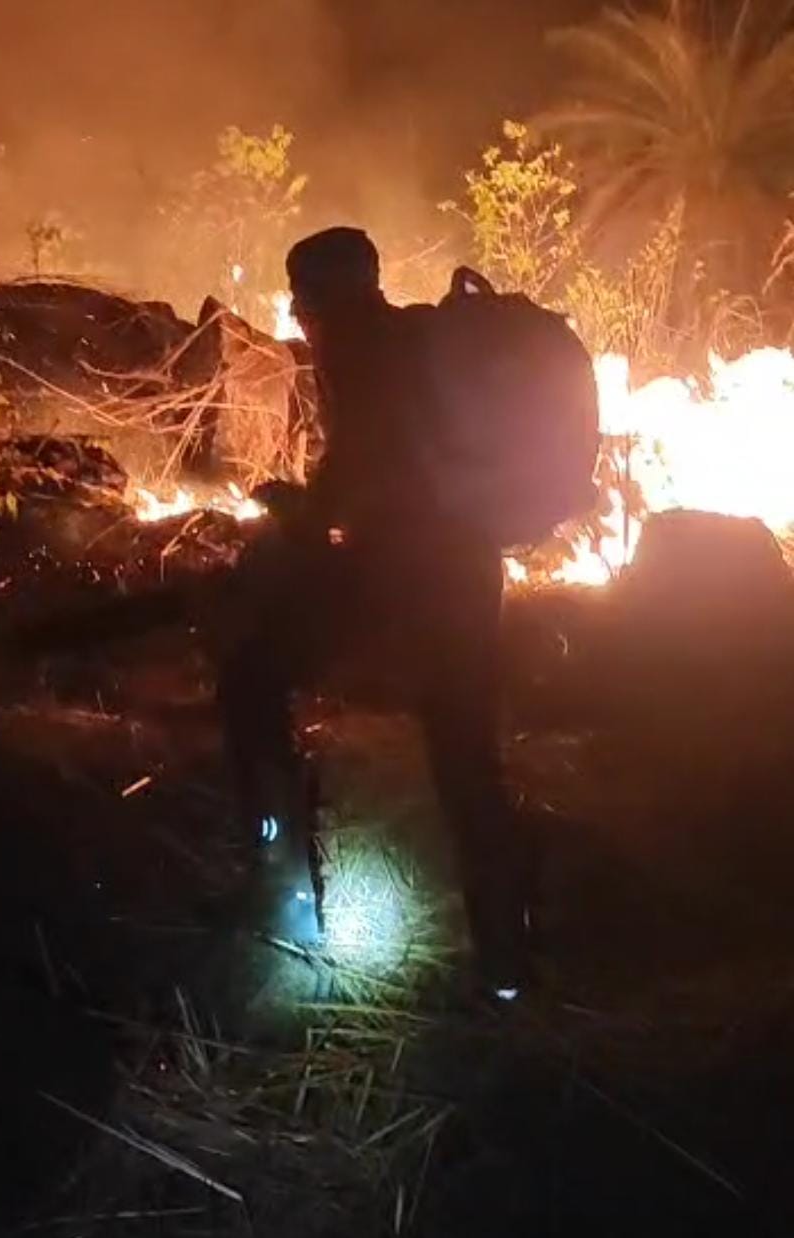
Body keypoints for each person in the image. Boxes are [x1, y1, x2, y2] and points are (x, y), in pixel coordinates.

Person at [217, 227, 530, 996]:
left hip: (405, 572)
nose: (299, 317)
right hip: (468, 570)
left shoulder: (357, 354)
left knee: (252, 678)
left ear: (317, 300)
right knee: (468, 759)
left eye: (302, 301)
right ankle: (508, 963)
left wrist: (294, 508)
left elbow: (360, 481)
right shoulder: (420, 338)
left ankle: (283, 894)